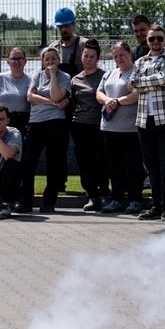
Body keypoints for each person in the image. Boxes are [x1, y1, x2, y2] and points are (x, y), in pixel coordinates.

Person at [131, 26, 165, 222]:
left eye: (159, 39)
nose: (155, 42)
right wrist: (150, 81)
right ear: (147, 40)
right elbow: (132, 83)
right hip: (144, 119)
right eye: (152, 39)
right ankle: (155, 206)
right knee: (151, 166)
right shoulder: (139, 61)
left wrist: (142, 81)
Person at [99, 40, 145, 215]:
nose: (119, 59)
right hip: (109, 127)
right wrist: (107, 100)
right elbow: (99, 92)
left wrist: (117, 101)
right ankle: (117, 198)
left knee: (132, 166)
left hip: (130, 128)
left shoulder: (137, 73)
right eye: (116, 56)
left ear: (130, 54)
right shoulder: (110, 73)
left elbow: (137, 95)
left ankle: (135, 199)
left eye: (122, 55)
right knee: (114, 165)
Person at [25, 45, 72, 213]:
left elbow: (57, 95)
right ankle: (25, 201)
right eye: (47, 59)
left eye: (54, 59)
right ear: (42, 61)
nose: (50, 62)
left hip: (55, 122)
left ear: (59, 60)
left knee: (54, 162)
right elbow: (30, 96)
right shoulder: (36, 75)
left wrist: (53, 75)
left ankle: (48, 202)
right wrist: (52, 104)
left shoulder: (64, 77)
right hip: (36, 121)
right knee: (29, 161)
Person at [68, 38, 109, 212]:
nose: (88, 59)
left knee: (100, 161)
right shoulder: (75, 80)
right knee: (84, 163)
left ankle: (104, 193)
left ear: (97, 58)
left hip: (99, 126)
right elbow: (72, 102)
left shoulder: (104, 76)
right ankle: (92, 195)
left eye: (92, 56)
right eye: (85, 56)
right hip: (79, 126)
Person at [0, 48, 33, 132]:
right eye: (13, 58)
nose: (17, 61)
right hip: (2, 121)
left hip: (23, 123)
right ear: (8, 61)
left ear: (25, 61)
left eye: (20, 58)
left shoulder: (31, 81)